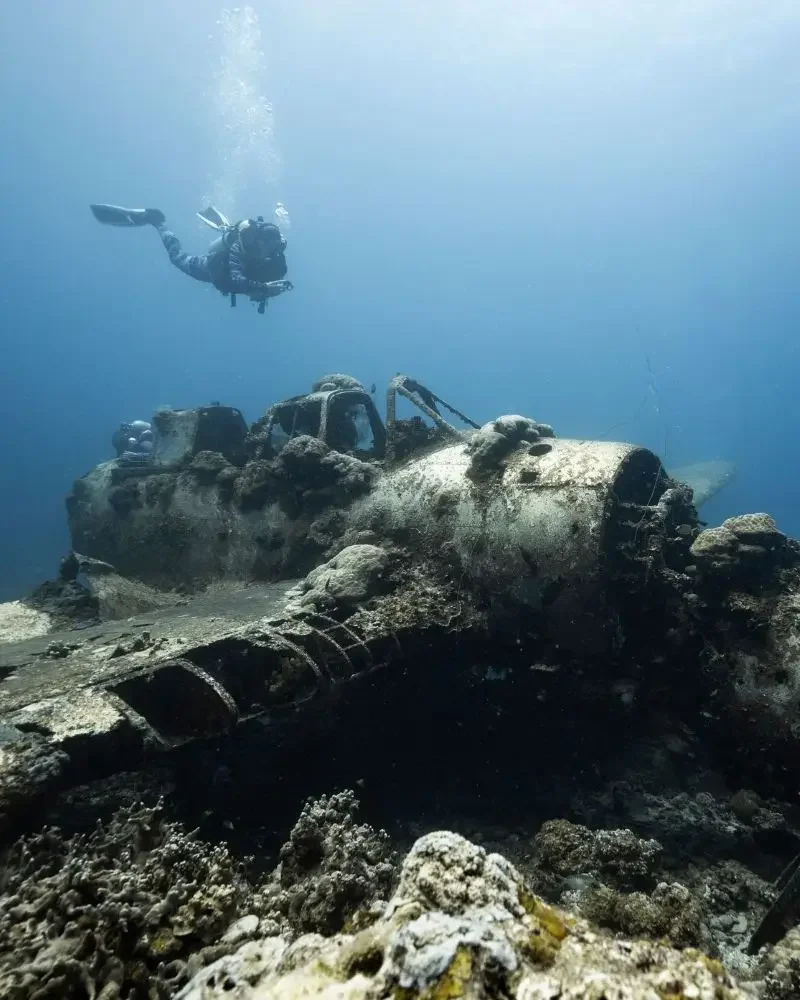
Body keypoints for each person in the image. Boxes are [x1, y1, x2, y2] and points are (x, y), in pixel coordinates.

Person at [90, 204, 293, 312]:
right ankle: (157, 221)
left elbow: (260, 284)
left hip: (229, 277)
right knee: (177, 258)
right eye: (261, 244)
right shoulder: (239, 249)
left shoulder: (273, 261)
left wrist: (264, 291)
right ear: (256, 240)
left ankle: (225, 228)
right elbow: (235, 279)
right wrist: (262, 289)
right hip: (210, 268)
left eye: (268, 247)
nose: (262, 250)